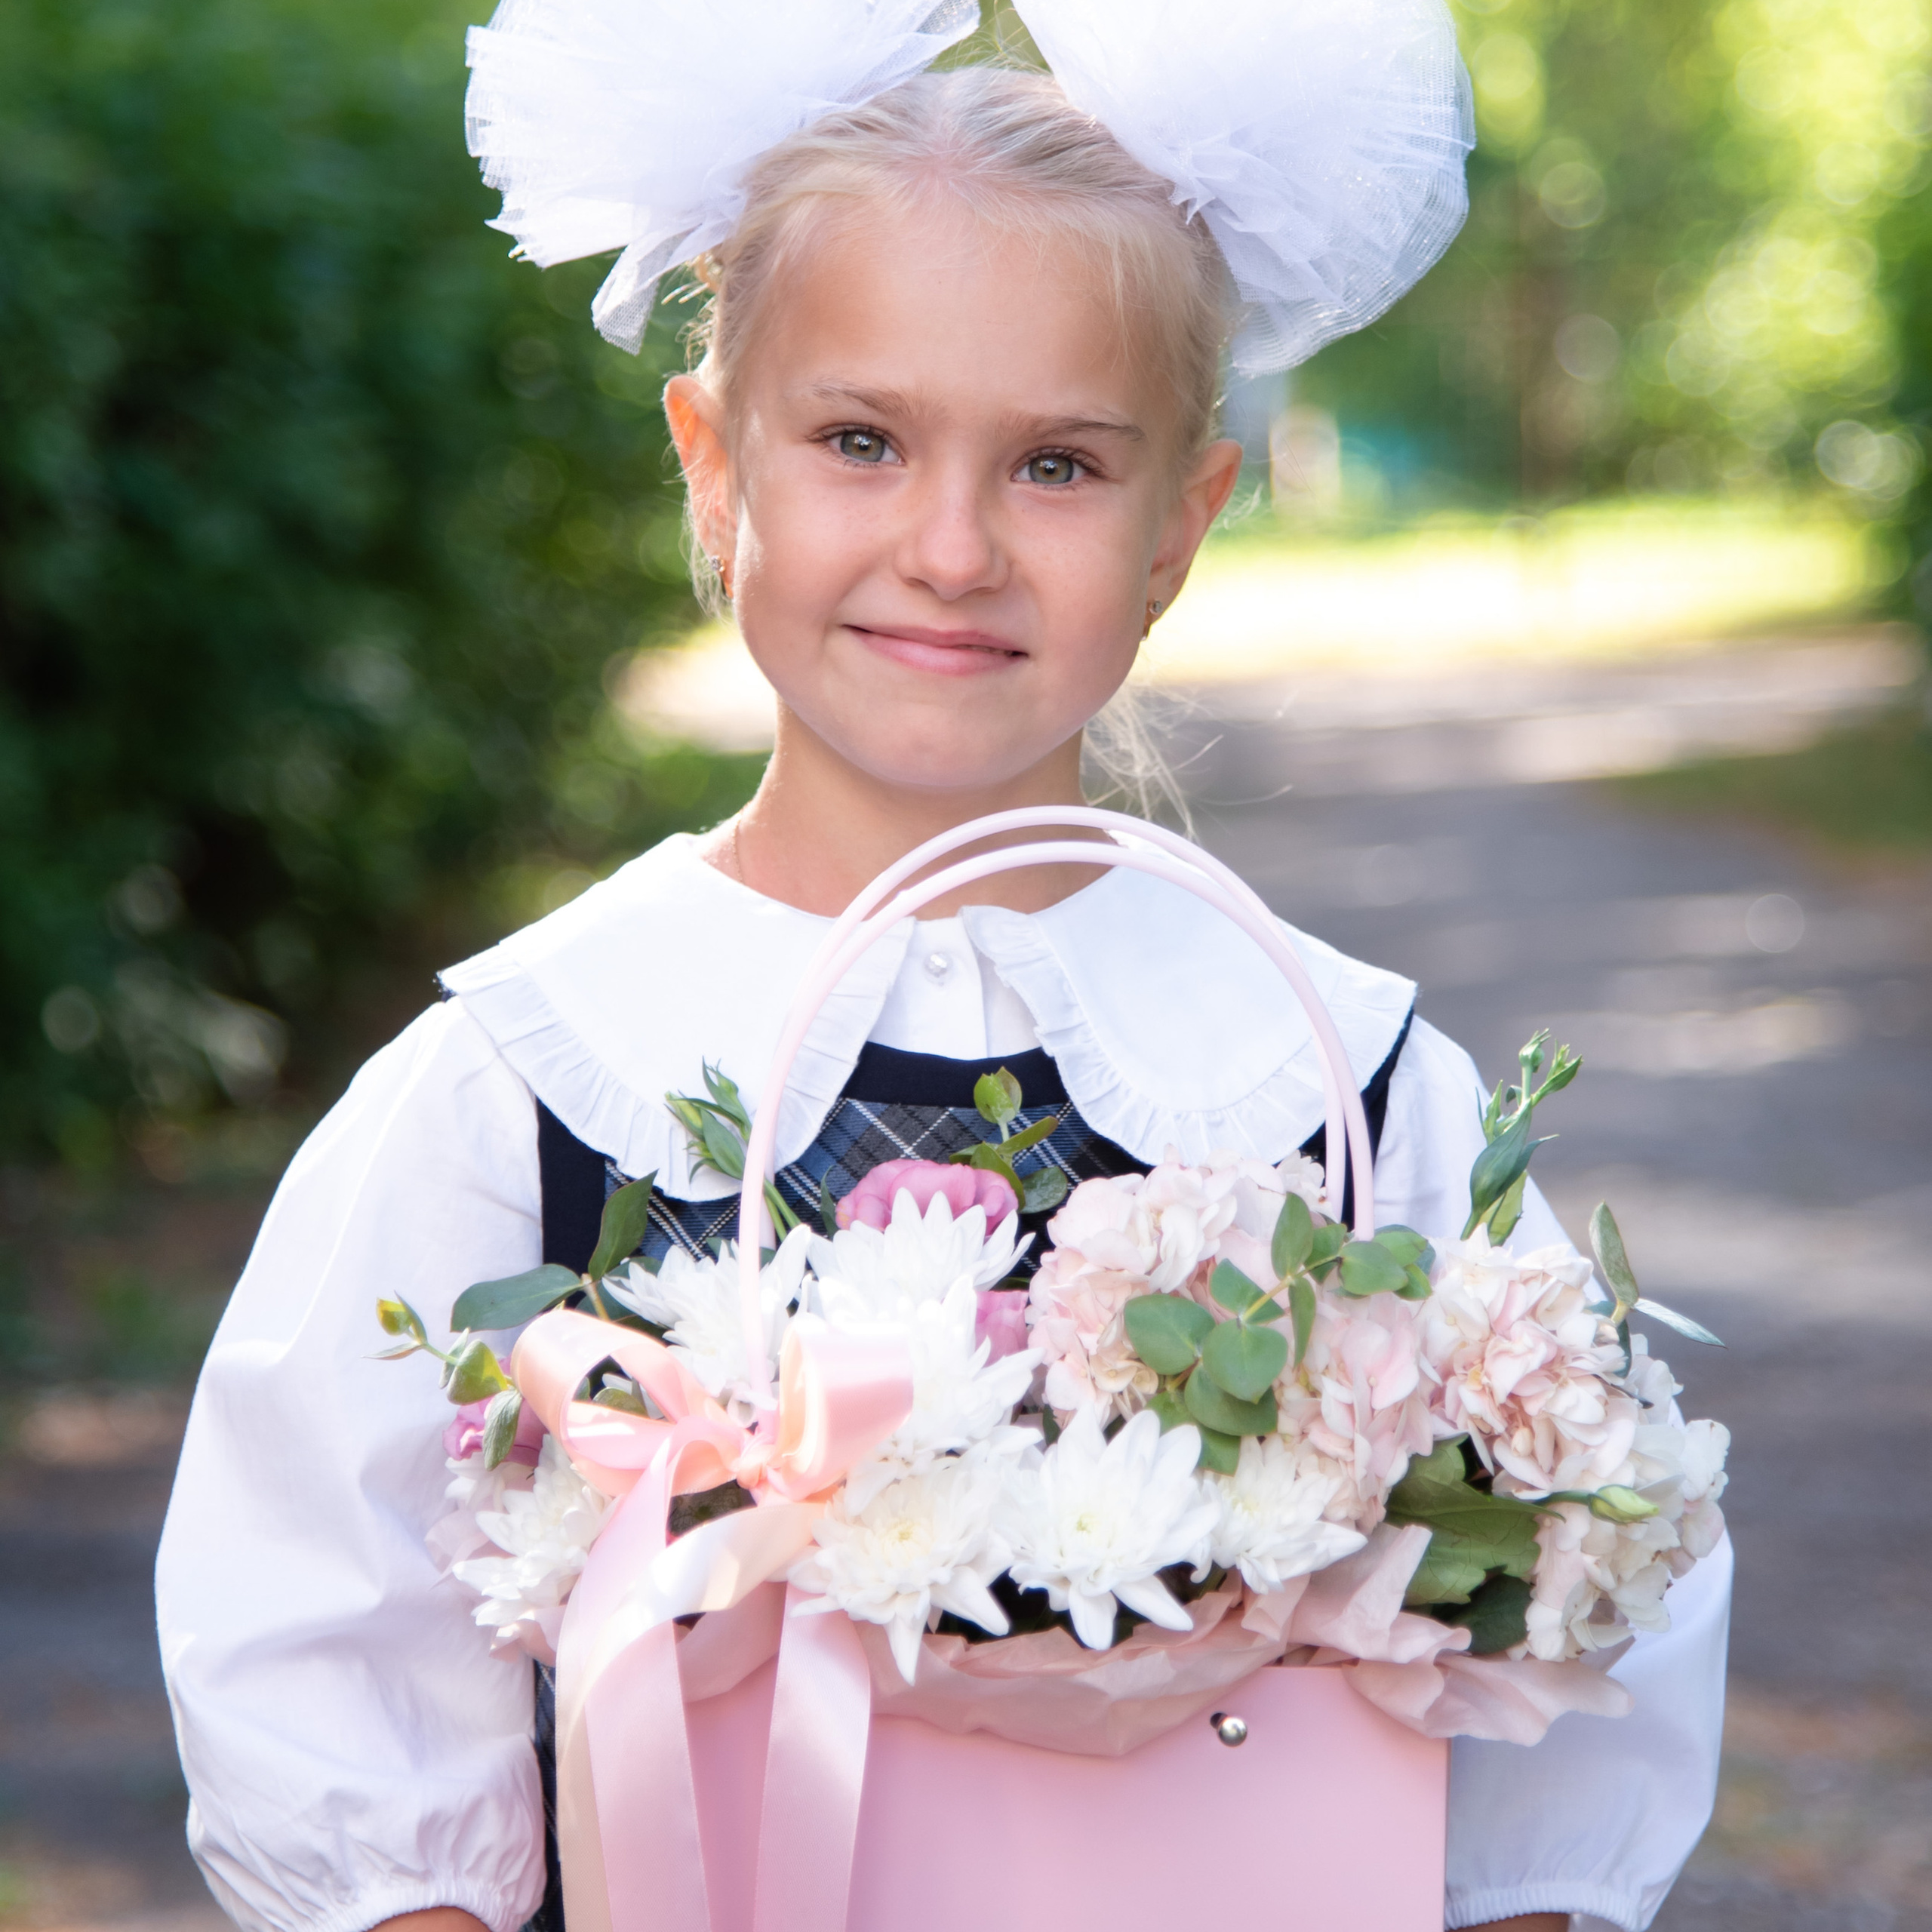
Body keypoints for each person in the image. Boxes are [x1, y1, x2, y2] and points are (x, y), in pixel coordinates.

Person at [155, 7, 1730, 1932]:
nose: (952, 545)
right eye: (860, 440)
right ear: (714, 463)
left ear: (1180, 524)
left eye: (1057, 463)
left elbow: (1579, 1621)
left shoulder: (1341, 1080)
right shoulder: (528, 1078)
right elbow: (324, 1647)